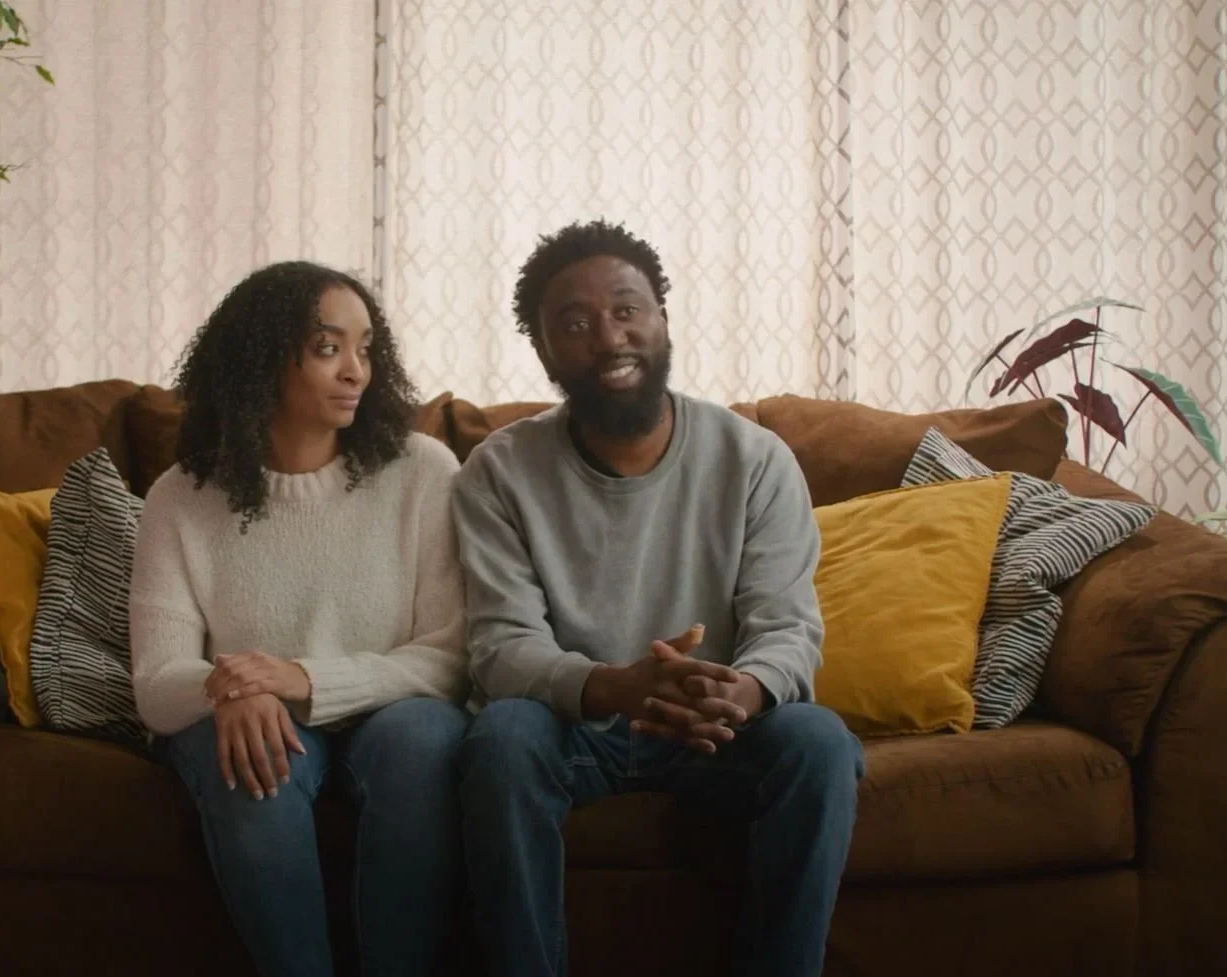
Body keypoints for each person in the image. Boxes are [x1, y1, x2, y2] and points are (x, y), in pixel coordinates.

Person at [451, 220, 865, 977]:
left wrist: (742, 689)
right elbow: (501, 647)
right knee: (502, 737)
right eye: (573, 323)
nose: (608, 337)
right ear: (544, 352)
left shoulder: (756, 458)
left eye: (626, 309)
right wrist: (612, 685)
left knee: (820, 741)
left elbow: (787, 625)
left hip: (716, 728)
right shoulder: (497, 472)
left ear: (663, 319)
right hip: (575, 728)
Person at [130, 260, 470, 977]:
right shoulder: (180, 496)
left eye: (366, 348)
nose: (357, 371)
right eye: (328, 347)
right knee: (250, 759)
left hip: (392, 715)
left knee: (424, 736)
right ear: (260, 361)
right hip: (257, 719)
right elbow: (157, 680)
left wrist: (299, 677)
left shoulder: (424, 471)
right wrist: (236, 687)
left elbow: (451, 655)